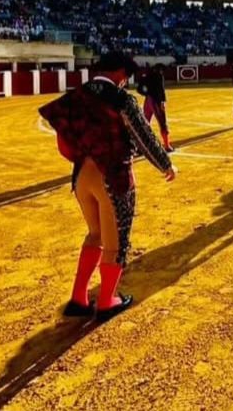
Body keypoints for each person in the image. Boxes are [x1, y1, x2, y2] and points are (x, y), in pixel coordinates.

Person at [39, 52, 176, 322]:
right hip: (113, 178)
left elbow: (63, 143)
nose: (126, 81)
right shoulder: (121, 99)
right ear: (120, 72)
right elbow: (144, 136)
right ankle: (106, 301)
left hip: (82, 177)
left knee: (95, 235)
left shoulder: (76, 95)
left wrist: (83, 157)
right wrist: (165, 164)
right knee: (115, 244)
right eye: (126, 75)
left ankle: (79, 298)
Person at [137, 64, 172, 152]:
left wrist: (146, 93)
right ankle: (167, 146)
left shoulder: (146, 76)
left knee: (145, 123)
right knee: (162, 123)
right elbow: (161, 90)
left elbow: (139, 89)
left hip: (148, 101)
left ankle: (141, 147)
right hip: (156, 101)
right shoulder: (159, 76)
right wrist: (162, 101)